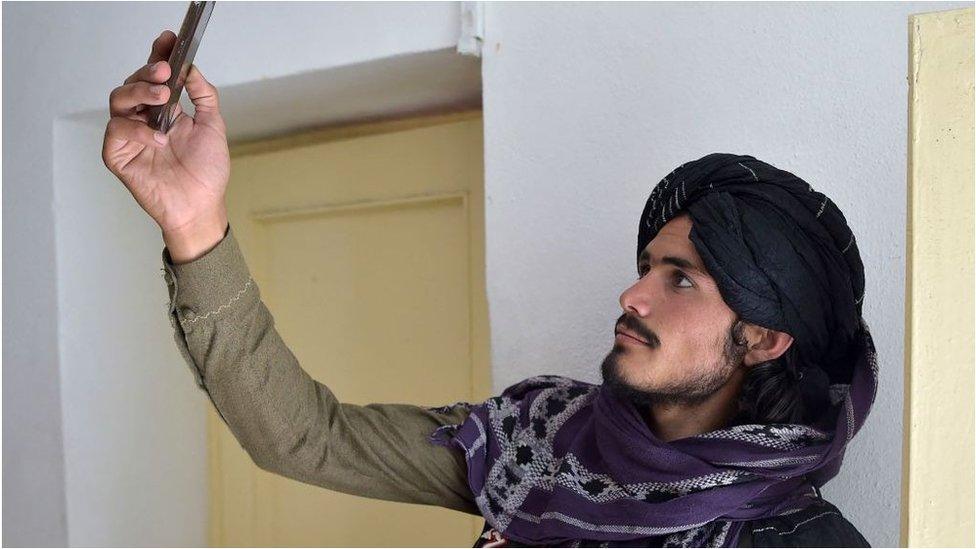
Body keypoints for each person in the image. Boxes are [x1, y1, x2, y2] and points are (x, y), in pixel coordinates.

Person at [103, 30, 877, 548]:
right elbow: (307, 437)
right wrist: (195, 223)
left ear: (766, 337)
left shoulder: (802, 538)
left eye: (681, 279)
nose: (632, 296)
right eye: (646, 265)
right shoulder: (540, 443)